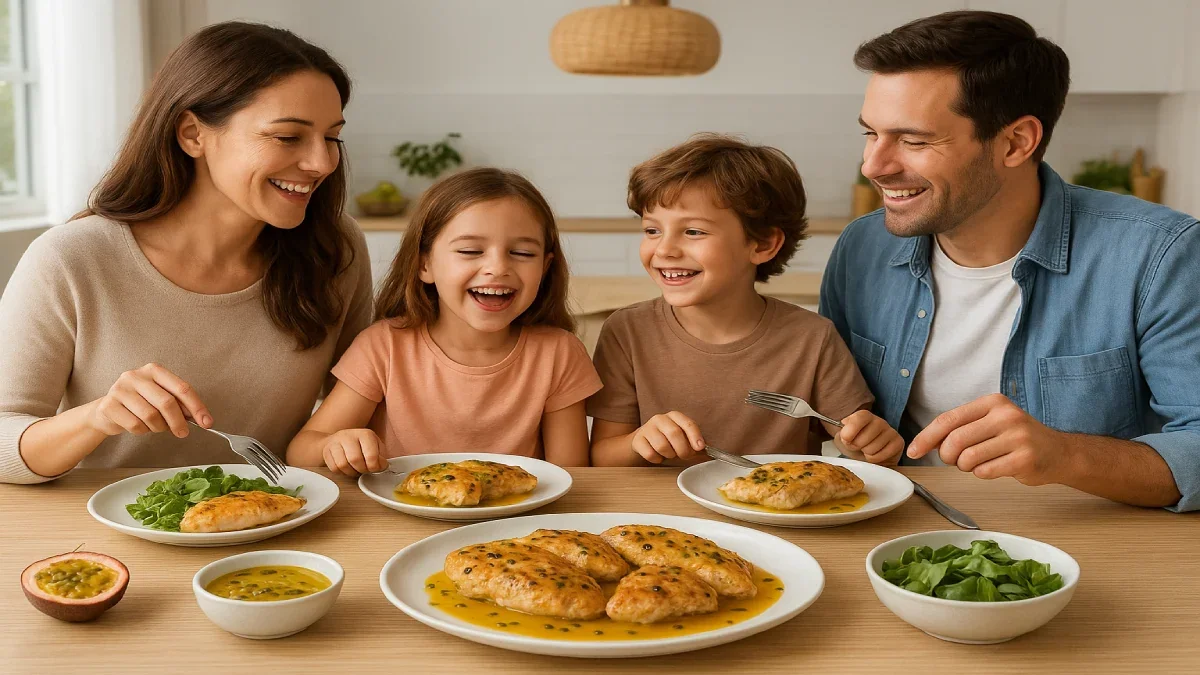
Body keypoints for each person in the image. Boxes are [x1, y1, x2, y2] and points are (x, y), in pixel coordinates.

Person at [821, 11, 1200, 511]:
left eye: (914, 140)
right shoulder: (862, 248)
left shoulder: (1159, 255)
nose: (874, 165)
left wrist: (1064, 455)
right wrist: (849, 431)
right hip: (900, 535)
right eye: (871, 133)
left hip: (1085, 546)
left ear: (1016, 142)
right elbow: (831, 405)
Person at [0, 22, 373, 482]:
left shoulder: (335, 249)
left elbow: (360, 404)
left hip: (284, 527)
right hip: (113, 540)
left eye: (332, 137)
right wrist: (96, 417)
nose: (321, 163)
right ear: (193, 134)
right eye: (287, 137)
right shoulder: (71, 259)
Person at [588, 134, 904, 467]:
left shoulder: (812, 338)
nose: (664, 249)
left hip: (776, 512)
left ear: (763, 244)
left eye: (693, 231)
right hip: (664, 516)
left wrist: (867, 444)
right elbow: (603, 457)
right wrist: (639, 442)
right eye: (652, 230)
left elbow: (853, 440)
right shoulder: (627, 331)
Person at [287, 168, 601, 475]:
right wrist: (337, 444)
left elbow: (571, 476)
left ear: (546, 268)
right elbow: (301, 452)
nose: (497, 267)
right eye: (470, 250)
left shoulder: (560, 353)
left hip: (515, 525)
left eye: (521, 253)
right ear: (425, 263)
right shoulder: (383, 346)